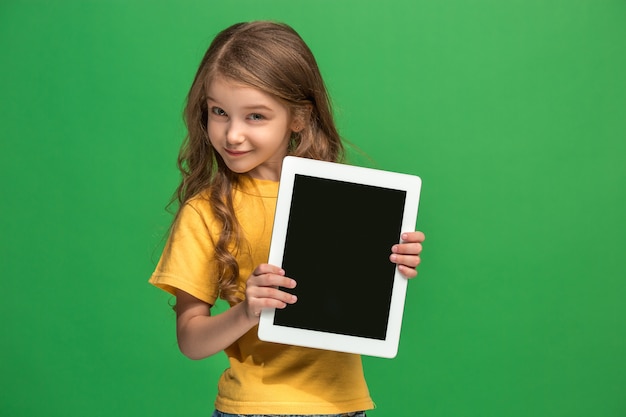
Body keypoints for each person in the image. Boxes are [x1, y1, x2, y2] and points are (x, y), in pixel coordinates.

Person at [149, 20, 426, 417]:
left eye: (256, 116)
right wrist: (247, 310)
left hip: (344, 406)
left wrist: (393, 265)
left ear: (297, 117)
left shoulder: (344, 204)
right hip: (252, 408)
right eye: (219, 112)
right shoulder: (205, 212)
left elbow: (350, 305)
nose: (232, 135)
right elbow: (191, 341)